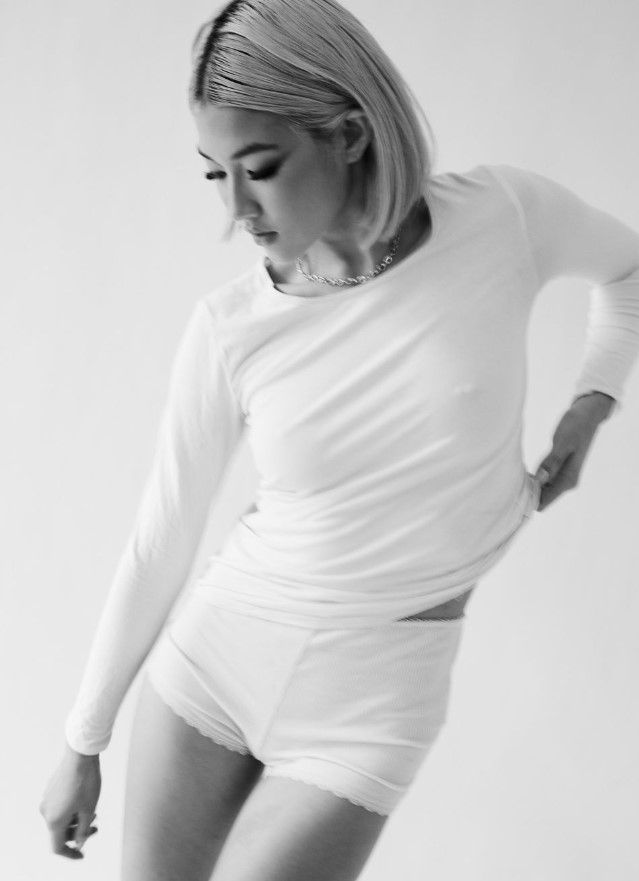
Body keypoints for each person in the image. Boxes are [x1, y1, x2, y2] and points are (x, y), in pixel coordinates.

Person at [39, 1, 639, 878]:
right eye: (214, 174)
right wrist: (81, 741)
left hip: (373, 703)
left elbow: (628, 270)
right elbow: (160, 540)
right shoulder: (231, 328)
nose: (237, 206)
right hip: (214, 666)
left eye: (260, 168)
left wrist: (590, 402)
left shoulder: (503, 215)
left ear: (350, 134)